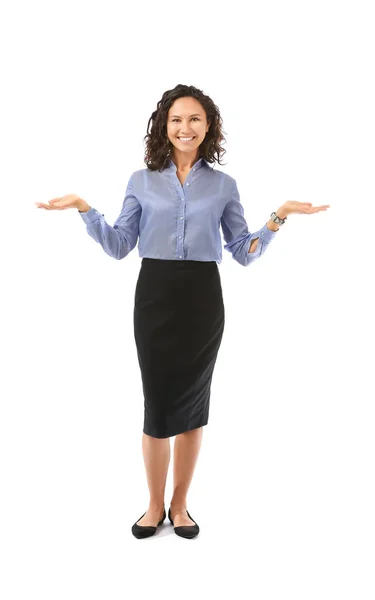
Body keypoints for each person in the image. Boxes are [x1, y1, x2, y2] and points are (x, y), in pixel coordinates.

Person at [35, 84, 330, 540]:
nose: (184, 127)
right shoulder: (141, 180)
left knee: (193, 407)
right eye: (176, 119)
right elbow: (118, 246)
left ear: (208, 125)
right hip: (154, 296)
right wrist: (84, 208)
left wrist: (279, 217)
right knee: (156, 407)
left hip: (201, 300)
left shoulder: (223, 185)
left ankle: (181, 505)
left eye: (194, 119)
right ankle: (154, 506)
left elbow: (243, 251)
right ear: (164, 125)